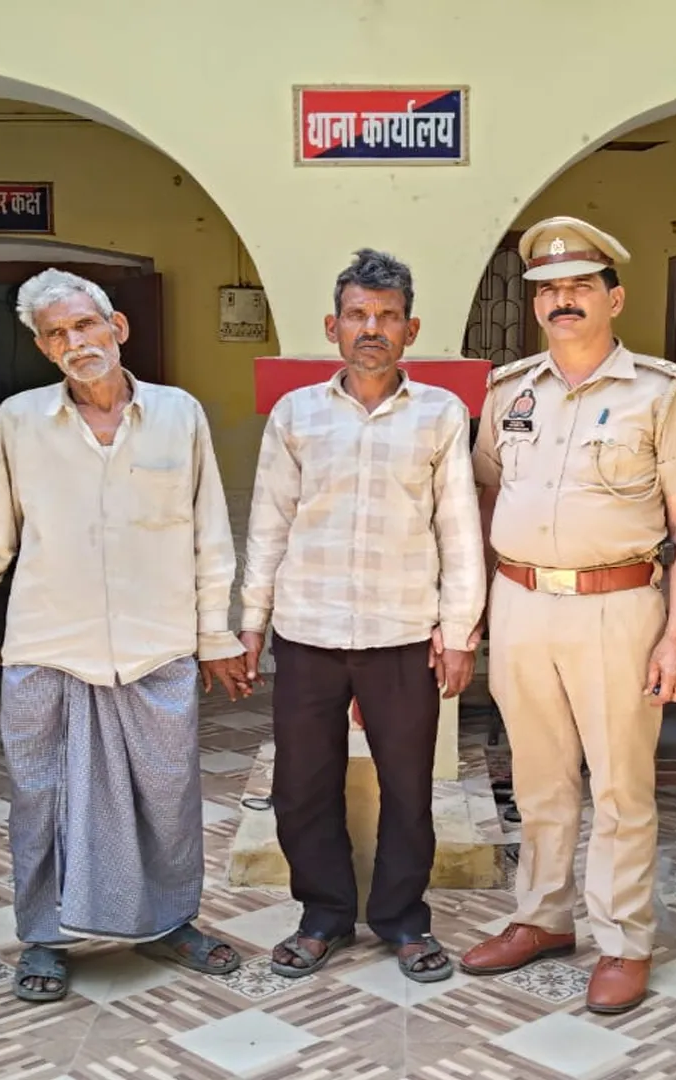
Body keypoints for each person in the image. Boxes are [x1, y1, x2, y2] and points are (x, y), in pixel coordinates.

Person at [0, 268, 251, 1002]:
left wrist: (217, 636)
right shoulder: (19, 421)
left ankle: (170, 923)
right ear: (43, 349)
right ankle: (45, 939)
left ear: (118, 329)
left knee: (166, 797)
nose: (75, 343)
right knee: (40, 795)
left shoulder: (179, 414)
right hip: (51, 645)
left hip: (156, 645)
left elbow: (209, 536)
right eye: (57, 334)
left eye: (85, 326)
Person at [459, 216, 676, 1014]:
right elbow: (484, 496)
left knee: (620, 788)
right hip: (523, 602)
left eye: (579, 287)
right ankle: (542, 917)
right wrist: (477, 609)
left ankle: (622, 939)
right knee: (536, 780)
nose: (562, 300)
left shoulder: (661, 392)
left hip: (618, 607)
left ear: (614, 298)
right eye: (549, 289)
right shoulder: (510, 392)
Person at [237, 248, 485, 984]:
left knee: (410, 788)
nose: (370, 328)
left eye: (386, 316)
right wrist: (252, 622)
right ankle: (323, 916)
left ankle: (404, 921)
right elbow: (268, 525)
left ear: (410, 329)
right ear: (332, 326)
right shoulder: (296, 414)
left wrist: (460, 627)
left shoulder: (440, 414)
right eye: (357, 315)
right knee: (301, 786)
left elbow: (459, 530)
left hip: (404, 634)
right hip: (308, 631)